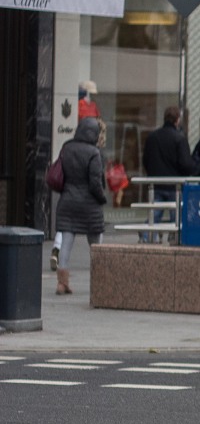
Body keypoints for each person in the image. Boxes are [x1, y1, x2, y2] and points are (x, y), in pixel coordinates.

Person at [51, 117, 108, 295]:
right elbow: (95, 183)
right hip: (89, 205)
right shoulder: (94, 153)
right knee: (96, 244)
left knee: (66, 243)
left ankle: (62, 283)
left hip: (67, 201)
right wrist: (102, 198)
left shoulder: (67, 147)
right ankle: (99, 282)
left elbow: (62, 173)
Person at [141, 105, 195, 243]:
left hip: (156, 184)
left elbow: (146, 160)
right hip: (174, 185)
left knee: (154, 215)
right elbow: (185, 164)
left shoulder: (152, 137)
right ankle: (175, 241)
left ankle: (146, 238)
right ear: (177, 120)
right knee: (176, 218)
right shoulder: (179, 138)